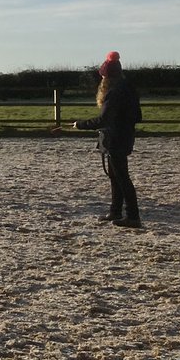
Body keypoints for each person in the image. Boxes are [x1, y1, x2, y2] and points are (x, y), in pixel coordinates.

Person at [64, 51, 143, 228]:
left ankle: (133, 216)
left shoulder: (113, 92)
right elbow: (137, 116)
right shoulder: (129, 88)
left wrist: (80, 124)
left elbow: (103, 119)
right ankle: (115, 211)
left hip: (115, 138)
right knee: (115, 176)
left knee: (121, 177)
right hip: (124, 136)